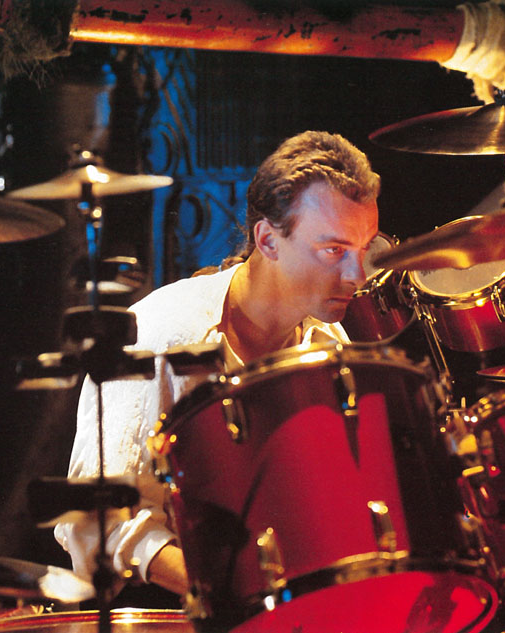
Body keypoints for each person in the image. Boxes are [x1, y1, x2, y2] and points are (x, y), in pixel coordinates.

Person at [54, 130, 381, 600]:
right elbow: (92, 520)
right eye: (334, 250)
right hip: (169, 610)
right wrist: (240, 593)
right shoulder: (159, 334)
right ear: (268, 240)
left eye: (363, 250)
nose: (357, 275)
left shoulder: (328, 344)